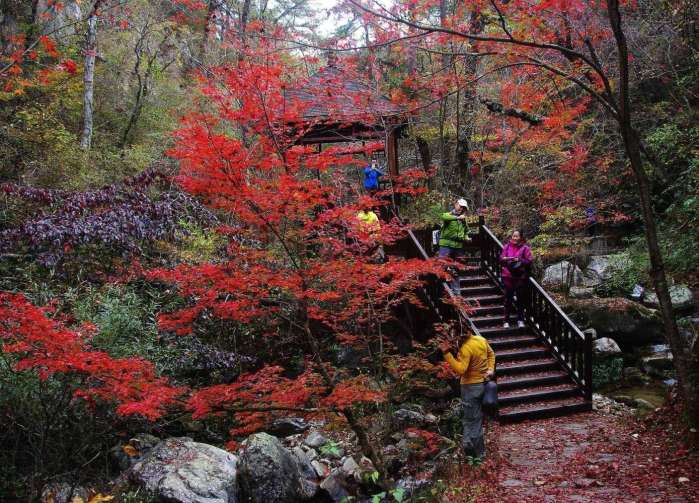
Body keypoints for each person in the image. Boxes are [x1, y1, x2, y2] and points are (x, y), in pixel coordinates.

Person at [439, 330, 495, 460]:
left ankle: (476, 455)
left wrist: (447, 354)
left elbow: (460, 370)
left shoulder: (466, 348)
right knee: (476, 419)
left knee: (472, 421)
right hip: (483, 384)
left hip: (470, 387)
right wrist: (490, 369)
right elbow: (491, 354)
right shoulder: (480, 339)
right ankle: (474, 452)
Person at [500, 229, 533, 328]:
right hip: (508, 275)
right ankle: (506, 320)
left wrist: (519, 260)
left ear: (521, 237)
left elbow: (529, 261)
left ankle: (520, 319)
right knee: (508, 299)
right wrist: (505, 259)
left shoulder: (525, 248)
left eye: (517, 236)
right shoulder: (506, 247)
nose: (514, 238)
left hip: (520, 276)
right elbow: (501, 258)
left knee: (520, 299)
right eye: (513, 236)